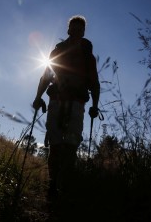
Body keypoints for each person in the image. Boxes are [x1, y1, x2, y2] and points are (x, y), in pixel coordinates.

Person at [33, 15, 100, 198]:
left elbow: (94, 83)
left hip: (77, 104)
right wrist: (38, 97)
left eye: (80, 29)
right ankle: (53, 185)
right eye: (74, 28)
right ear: (68, 30)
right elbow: (46, 76)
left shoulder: (88, 57)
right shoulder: (57, 52)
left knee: (71, 147)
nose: (77, 31)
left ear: (83, 32)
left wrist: (95, 105)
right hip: (57, 101)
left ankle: (64, 186)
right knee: (55, 146)